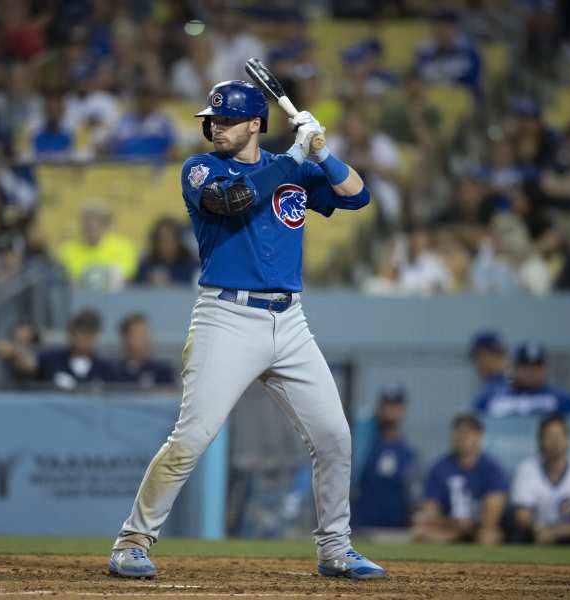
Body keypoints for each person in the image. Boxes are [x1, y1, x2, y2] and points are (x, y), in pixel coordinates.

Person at [109, 80, 385, 579]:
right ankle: (132, 540)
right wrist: (294, 155)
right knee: (191, 437)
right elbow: (232, 201)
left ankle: (336, 549)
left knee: (335, 437)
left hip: (291, 319)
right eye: (211, 120)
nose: (216, 127)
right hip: (226, 318)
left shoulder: (294, 168)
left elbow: (358, 196)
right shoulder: (202, 168)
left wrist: (322, 153)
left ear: (255, 123)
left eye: (227, 120)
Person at [412, 414, 508, 544]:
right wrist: (454, 523)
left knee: (488, 536)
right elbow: (430, 510)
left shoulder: (492, 469)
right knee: (421, 533)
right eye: (457, 432)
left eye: (467, 432)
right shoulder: (439, 468)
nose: (461, 437)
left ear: (479, 436)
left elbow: (491, 517)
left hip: (478, 530)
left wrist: (469, 526)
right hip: (449, 527)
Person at [509, 415, 570, 545]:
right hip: (535, 534)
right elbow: (522, 516)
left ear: (568, 440)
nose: (555, 442)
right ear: (540, 441)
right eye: (549, 436)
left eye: (559, 436)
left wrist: (554, 533)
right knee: (518, 535)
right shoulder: (526, 469)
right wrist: (540, 530)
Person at [351, 385, 419, 530]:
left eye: (395, 406)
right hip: (361, 525)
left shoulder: (408, 452)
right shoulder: (363, 444)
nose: (391, 411)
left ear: (403, 409)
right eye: (387, 405)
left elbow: (413, 493)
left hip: (397, 527)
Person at [0, 309, 113, 391]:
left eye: (89, 334)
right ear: (70, 333)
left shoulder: (105, 368)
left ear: (96, 336)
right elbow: (29, 364)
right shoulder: (52, 359)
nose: (83, 338)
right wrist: (15, 350)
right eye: (79, 332)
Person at [473, 341, 570, 417]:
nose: (531, 372)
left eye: (537, 366)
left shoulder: (563, 399)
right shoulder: (491, 397)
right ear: (513, 367)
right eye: (525, 365)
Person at [58, 203, 138, 290]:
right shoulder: (68, 250)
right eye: (86, 221)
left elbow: (126, 279)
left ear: (106, 224)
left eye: (96, 221)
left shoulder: (123, 248)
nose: (90, 226)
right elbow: (64, 280)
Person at [109, 313, 174, 389]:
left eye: (146, 334)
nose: (145, 339)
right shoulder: (111, 372)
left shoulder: (163, 371)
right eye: (139, 335)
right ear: (125, 338)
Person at [133, 217, 198, 287]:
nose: (167, 244)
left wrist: (171, 283)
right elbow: (136, 288)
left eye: (171, 239)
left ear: (179, 241)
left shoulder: (190, 264)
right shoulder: (147, 264)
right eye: (163, 239)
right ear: (156, 242)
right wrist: (148, 282)